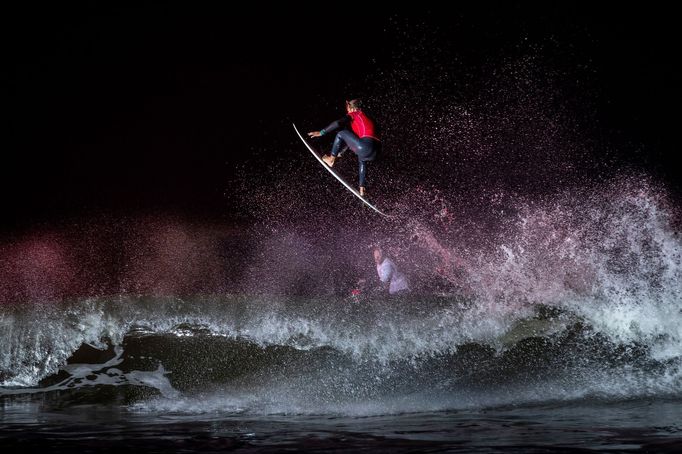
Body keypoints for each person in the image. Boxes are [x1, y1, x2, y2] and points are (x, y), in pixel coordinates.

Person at [307, 99, 381, 198]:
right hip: (376, 151)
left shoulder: (356, 114)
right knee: (362, 160)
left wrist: (321, 132)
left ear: (352, 108)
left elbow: (338, 123)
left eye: (348, 108)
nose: (347, 110)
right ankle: (362, 188)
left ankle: (331, 159)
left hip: (364, 146)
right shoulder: (367, 118)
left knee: (341, 132)